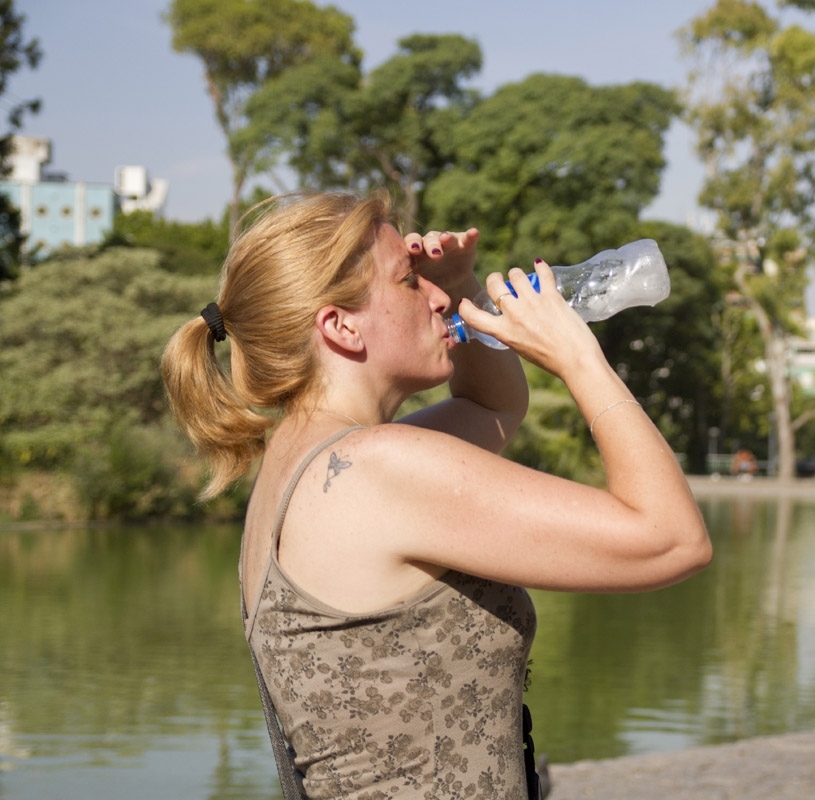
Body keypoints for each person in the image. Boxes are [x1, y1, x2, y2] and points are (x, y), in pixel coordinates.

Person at [160, 191, 711, 800]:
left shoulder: (310, 467)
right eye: (409, 282)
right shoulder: (375, 471)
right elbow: (672, 539)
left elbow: (492, 407)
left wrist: (462, 284)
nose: (437, 298)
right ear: (339, 325)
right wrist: (579, 356)